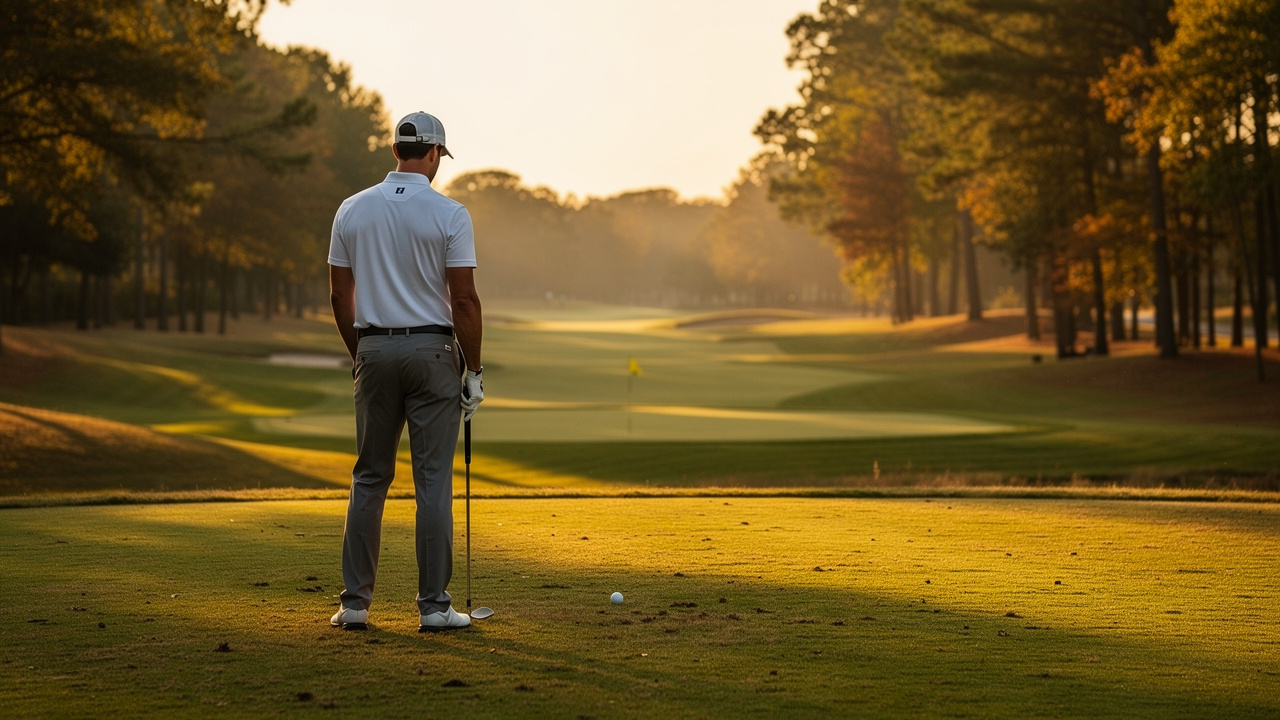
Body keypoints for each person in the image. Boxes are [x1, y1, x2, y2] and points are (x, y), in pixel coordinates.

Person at [326, 111, 484, 632]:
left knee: (369, 477)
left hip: (373, 349)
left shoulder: (351, 209)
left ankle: (354, 605)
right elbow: (463, 300)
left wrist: (361, 353)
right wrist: (475, 371)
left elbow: (339, 294)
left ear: (395, 150)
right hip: (434, 353)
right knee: (433, 483)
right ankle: (435, 608)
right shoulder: (450, 214)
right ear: (434, 154)